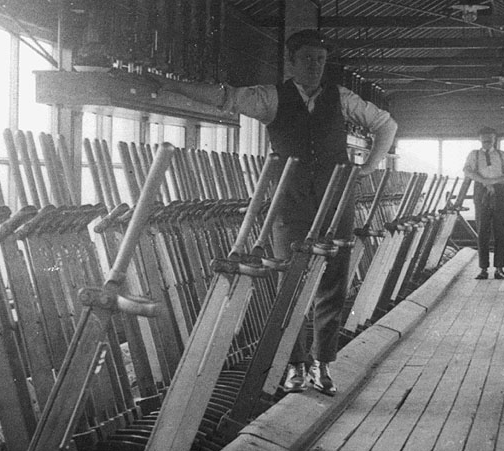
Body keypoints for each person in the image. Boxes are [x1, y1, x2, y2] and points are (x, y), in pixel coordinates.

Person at [150, 30, 398, 395]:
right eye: (308, 59)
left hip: (336, 197)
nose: (315, 66)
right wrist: (169, 85)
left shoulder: (341, 98)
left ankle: (323, 364)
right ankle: (295, 366)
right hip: (290, 198)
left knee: (334, 280)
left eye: (320, 59)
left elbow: (386, 124)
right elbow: (226, 97)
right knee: (290, 278)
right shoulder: (270, 98)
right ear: (292, 62)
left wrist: (370, 167)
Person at [463, 126, 504, 280]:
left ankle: (499, 269)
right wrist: (485, 182)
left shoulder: (502, 154)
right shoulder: (474, 154)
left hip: (501, 192)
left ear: (494, 139)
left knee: (500, 231)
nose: (487, 141)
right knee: (482, 230)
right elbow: (467, 170)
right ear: (480, 139)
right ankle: (483, 269)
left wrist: (494, 182)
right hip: (481, 191)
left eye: (490, 139)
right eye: (484, 139)